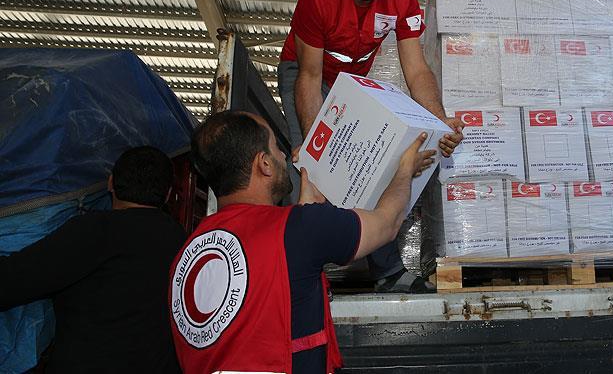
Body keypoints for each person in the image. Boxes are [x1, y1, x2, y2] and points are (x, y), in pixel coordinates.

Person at [169, 111, 434, 374]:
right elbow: (387, 223)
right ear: (264, 164)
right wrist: (404, 169)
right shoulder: (300, 229)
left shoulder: (186, 253)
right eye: (275, 147)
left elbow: (263, 304)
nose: (283, 155)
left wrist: (303, 212)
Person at [278, 0, 462, 293]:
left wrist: (440, 122)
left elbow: (416, 69)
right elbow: (311, 77)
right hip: (305, 71)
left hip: (351, 84)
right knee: (311, 173)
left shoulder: (401, 0)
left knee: (376, 163)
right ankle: (296, 273)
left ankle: (388, 271)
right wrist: (317, 145)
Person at [0, 146, 186, 373]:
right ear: (167, 194)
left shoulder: (94, 231)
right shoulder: (183, 243)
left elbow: (12, 281)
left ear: (110, 184)